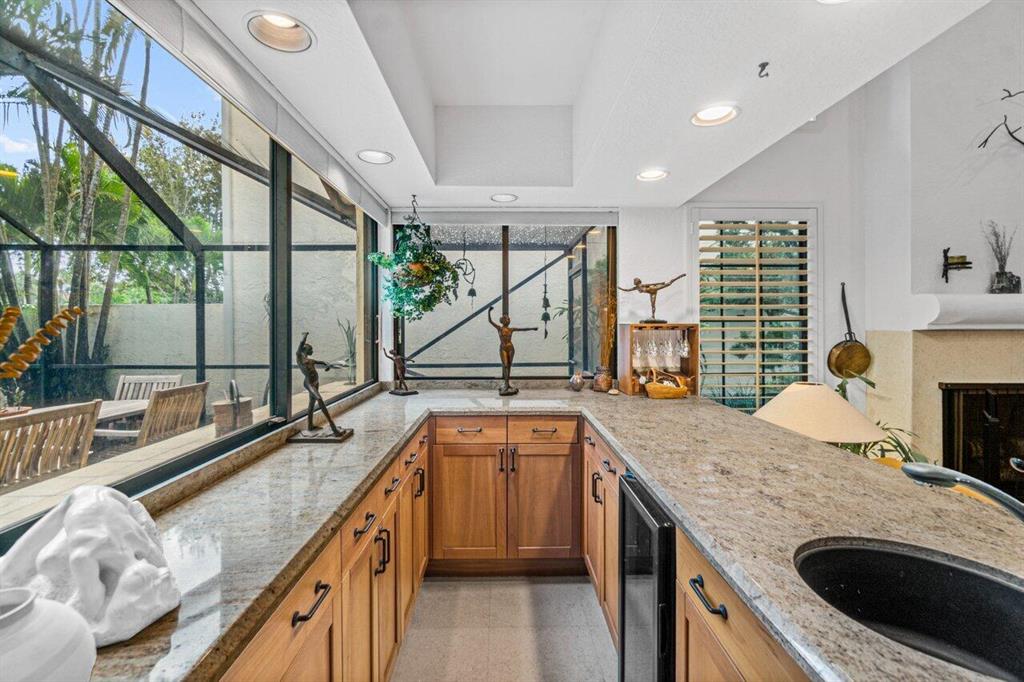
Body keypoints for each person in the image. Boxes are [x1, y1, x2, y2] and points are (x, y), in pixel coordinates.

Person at [296, 332, 345, 436]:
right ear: (306, 349)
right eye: (311, 349)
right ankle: (332, 425)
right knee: (319, 399)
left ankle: (310, 426)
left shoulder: (310, 360)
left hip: (316, 382)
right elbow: (301, 344)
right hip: (309, 383)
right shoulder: (300, 358)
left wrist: (328, 365)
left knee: (311, 403)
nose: (312, 351)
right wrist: (305, 335)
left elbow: (322, 362)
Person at [487, 306, 537, 396]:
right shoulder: (499, 328)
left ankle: (508, 384)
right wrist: (489, 311)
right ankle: (506, 385)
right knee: (505, 365)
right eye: (507, 319)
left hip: (510, 348)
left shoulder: (511, 329)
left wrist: (532, 328)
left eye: (508, 319)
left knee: (509, 366)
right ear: (503, 321)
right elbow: (490, 321)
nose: (508, 320)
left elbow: (522, 329)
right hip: (503, 348)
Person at [618, 273, 687, 322]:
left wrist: (660, 283)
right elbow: (627, 290)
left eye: (635, 280)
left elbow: (651, 284)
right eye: (634, 281)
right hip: (652, 293)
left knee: (668, 284)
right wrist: (619, 288)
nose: (635, 282)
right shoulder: (636, 288)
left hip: (653, 288)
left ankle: (677, 277)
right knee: (653, 305)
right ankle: (653, 316)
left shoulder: (642, 285)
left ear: (638, 281)